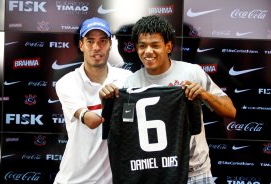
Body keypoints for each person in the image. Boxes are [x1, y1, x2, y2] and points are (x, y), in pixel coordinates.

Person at [99, 15, 236, 184]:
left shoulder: (193, 73)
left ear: (169, 46)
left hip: (195, 173)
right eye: (142, 46)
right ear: (136, 48)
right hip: (156, 172)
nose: (148, 51)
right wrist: (107, 101)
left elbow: (231, 111)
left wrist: (203, 95)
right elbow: (127, 123)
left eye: (155, 45)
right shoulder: (131, 82)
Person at [53, 17, 132, 184]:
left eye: (102, 41)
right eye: (90, 41)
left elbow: (129, 122)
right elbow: (91, 121)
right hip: (73, 180)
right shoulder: (67, 82)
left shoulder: (127, 79)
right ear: (81, 45)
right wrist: (106, 102)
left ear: (110, 44)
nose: (96, 47)